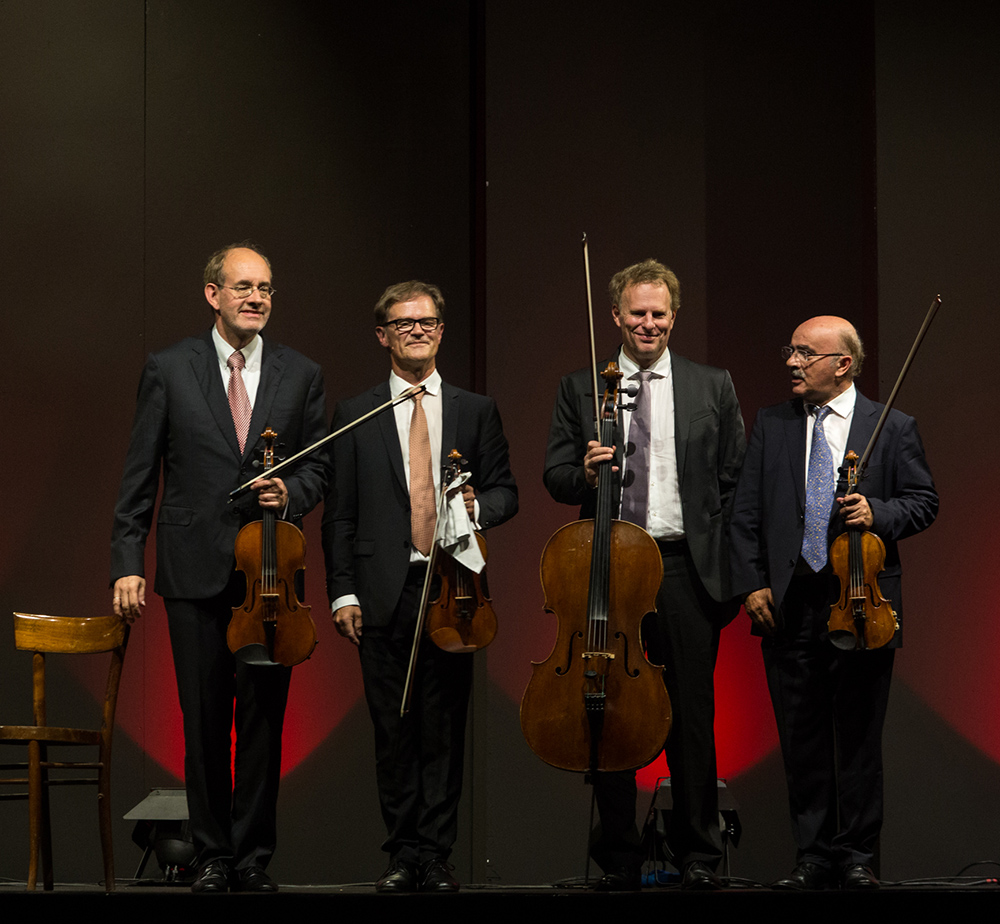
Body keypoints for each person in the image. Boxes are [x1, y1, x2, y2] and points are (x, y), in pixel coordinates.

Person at [110, 242, 328, 892]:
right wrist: (128, 559)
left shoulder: (302, 373)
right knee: (203, 720)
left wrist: (291, 492)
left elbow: (319, 467)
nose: (256, 297)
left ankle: (254, 856)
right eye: (242, 287)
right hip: (192, 566)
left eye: (264, 287)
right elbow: (139, 474)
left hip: (268, 576)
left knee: (264, 720)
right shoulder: (169, 369)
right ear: (213, 294)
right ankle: (211, 854)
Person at [543, 259, 745, 890]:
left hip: (685, 567)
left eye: (659, 313)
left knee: (690, 716)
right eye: (638, 313)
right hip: (609, 565)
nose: (649, 323)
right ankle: (619, 858)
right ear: (616, 317)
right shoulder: (582, 387)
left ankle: (698, 856)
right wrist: (584, 470)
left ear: (674, 316)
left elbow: (734, 481)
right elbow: (553, 476)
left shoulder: (711, 385)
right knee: (605, 711)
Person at [729, 315, 938, 890]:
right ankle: (813, 853)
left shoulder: (891, 427)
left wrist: (880, 513)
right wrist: (751, 584)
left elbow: (923, 501)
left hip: (862, 600)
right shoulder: (772, 424)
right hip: (790, 603)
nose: (791, 363)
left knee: (859, 738)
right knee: (802, 737)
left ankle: (858, 856)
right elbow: (745, 513)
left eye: (804, 353)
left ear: (842, 364)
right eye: (789, 351)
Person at [323, 281, 517, 892]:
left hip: (453, 587)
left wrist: (473, 507)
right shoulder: (356, 414)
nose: (417, 331)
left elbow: (507, 491)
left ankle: (436, 854)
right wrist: (343, 592)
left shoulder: (474, 409)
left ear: (441, 331)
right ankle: (401, 852)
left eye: (428, 322)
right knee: (393, 728)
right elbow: (340, 515)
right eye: (404, 324)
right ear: (383, 334)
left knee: (444, 728)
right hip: (384, 587)